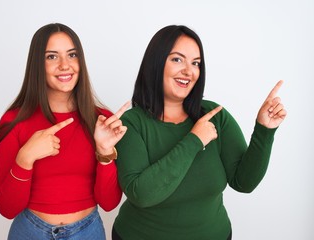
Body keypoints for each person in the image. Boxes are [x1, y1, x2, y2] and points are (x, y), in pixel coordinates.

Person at [111, 25, 287, 240]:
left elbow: (244, 183)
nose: (189, 71)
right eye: (177, 59)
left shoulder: (215, 115)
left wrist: (265, 130)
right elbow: (142, 195)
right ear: (155, 64)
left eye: (196, 63)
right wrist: (194, 140)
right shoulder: (131, 123)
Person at [0, 23, 129, 240]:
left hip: (88, 232)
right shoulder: (14, 120)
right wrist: (25, 158)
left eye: (72, 55)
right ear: (37, 64)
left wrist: (104, 152)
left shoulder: (101, 120)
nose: (65, 65)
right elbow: (6, 208)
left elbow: (109, 203)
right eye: (52, 57)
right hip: (30, 232)